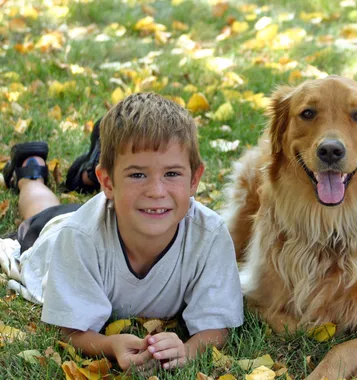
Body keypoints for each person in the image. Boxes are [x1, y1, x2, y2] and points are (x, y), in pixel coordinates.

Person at [0, 93, 243, 373]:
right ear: (109, 183)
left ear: (194, 180)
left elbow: (218, 325)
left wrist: (188, 350)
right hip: (53, 233)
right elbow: (69, 330)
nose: (156, 191)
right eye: (138, 175)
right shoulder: (78, 238)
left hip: (117, 210)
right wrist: (109, 345)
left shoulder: (209, 236)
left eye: (172, 174)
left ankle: (90, 169)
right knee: (39, 208)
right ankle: (31, 170)